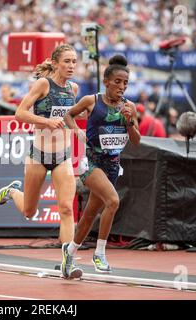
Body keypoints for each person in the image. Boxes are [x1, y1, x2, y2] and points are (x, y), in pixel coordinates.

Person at [0, 44, 81, 275]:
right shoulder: (43, 84)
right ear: (55, 63)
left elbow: (70, 115)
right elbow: (20, 113)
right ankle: (13, 191)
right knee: (29, 212)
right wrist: (46, 122)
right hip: (38, 155)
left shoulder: (74, 88)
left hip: (63, 156)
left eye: (74, 61)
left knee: (66, 209)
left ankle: (68, 262)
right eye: (67, 61)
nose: (71, 66)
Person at [61, 55, 141, 277]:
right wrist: (76, 130)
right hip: (92, 163)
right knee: (113, 201)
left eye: (125, 83)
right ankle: (100, 254)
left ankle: (70, 250)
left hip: (112, 167)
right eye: (117, 82)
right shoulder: (91, 101)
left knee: (89, 215)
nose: (122, 87)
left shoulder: (129, 107)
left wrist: (129, 122)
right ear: (106, 81)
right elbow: (69, 115)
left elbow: (136, 141)